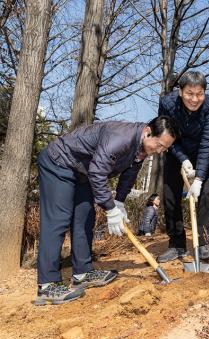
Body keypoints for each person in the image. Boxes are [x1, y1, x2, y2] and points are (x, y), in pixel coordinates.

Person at [35, 117, 177, 305]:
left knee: (85, 219)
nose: (159, 151)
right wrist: (110, 209)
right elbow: (98, 171)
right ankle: (47, 284)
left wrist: (119, 201)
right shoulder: (121, 137)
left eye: (164, 149)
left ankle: (83, 273)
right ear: (148, 132)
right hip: (59, 162)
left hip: (82, 171)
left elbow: (130, 173)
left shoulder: (140, 148)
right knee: (58, 220)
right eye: (159, 145)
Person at [156, 71, 209, 263]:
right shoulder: (167, 104)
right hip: (175, 150)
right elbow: (166, 135)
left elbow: (208, 144)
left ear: (204, 93)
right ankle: (176, 244)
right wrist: (183, 159)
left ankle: (204, 244)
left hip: (202, 152)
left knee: (205, 195)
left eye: (199, 94)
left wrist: (199, 179)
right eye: (189, 93)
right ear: (180, 91)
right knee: (170, 195)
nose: (194, 99)